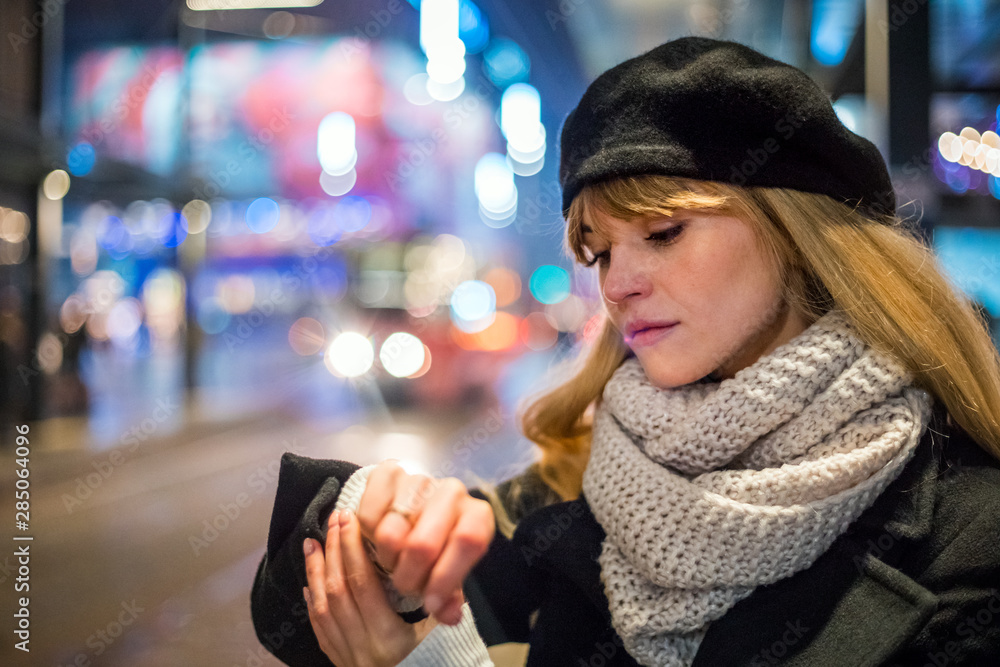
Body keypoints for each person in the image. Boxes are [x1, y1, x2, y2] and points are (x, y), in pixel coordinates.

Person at [250, 36, 1000, 666]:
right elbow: (296, 597)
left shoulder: (971, 527)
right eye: (599, 250)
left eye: (664, 233)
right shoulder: (593, 469)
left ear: (796, 236)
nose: (619, 284)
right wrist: (382, 531)